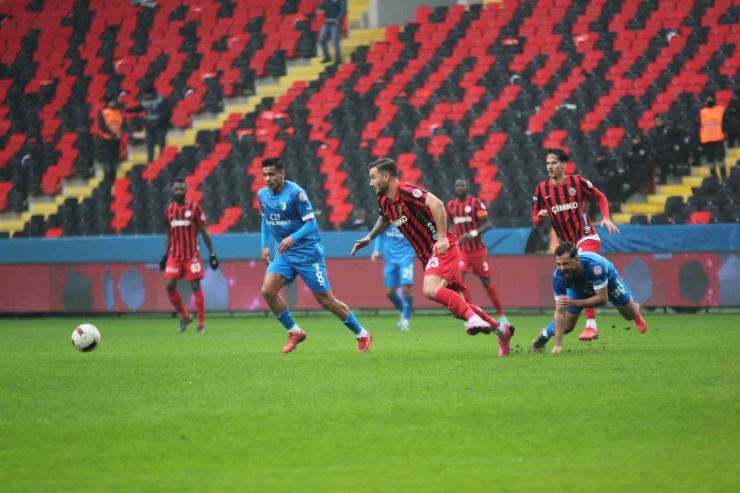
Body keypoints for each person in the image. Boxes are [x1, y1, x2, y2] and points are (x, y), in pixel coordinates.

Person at [351, 158, 515, 357]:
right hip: (427, 256)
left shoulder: (407, 191)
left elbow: (437, 204)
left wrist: (443, 237)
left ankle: (473, 319)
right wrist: (369, 237)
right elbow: (385, 217)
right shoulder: (384, 201)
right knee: (458, 309)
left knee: (430, 289)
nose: (371, 182)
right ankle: (501, 331)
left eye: (373, 177)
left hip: (443, 248)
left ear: (386, 177)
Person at [259, 158, 372, 354]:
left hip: (307, 252)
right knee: (268, 290)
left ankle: (362, 333)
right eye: (265, 175)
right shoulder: (262, 195)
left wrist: (292, 238)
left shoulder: (296, 194)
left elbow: (311, 224)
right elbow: (265, 220)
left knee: (326, 300)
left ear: (282, 174)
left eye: (271, 174)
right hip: (284, 253)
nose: (267, 178)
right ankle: (295, 332)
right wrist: (264, 245)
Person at [532, 148, 620, 342]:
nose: (550, 166)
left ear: (564, 164)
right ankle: (626, 302)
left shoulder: (577, 182)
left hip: (587, 235)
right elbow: (536, 220)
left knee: (583, 268)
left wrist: (606, 217)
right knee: (582, 281)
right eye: (547, 163)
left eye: (554, 162)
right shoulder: (542, 189)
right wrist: (540, 217)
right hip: (567, 244)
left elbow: (600, 197)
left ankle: (591, 326)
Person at [530, 242, 647, 353]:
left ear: (576, 260)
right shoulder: (559, 277)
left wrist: (574, 303)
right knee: (568, 327)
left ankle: (636, 309)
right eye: (559, 264)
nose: (562, 268)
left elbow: (602, 300)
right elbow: (560, 313)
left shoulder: (595, 267)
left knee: (630, 315)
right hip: (578, 290)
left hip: (609, 283)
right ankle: (545, 333)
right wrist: (557, 345)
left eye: (566, 263)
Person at [158, 177, 219, 333]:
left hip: (191, 255)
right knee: (169, 285)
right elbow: (168, 234)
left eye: (181, 189)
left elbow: (204, 232)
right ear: (173, 191)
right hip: (175, 256)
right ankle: (185, 317)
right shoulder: (169, 210)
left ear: (186, 191)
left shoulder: (195, 208)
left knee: (195, 286)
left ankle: (201, 323)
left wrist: (212, 254)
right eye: (176, 189)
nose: (178, 192)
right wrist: (165, 255)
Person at [446, 178, 508, 324]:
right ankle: (471, 315)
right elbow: (449, 221)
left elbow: (488, 224)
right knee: (458, 282)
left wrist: (472, 233)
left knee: (486, 282)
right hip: (462, 251)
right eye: (457, 185)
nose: (460, 188)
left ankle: (501, 314)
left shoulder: (475, 203)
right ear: (454, 188)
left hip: (478, 250)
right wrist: (454, 232)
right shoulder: (451, 206)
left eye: (463, 185)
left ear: (467, 188)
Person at [371, 225, 415, 330]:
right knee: (389, 292)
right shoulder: (387, 216)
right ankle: (404, 310)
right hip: (390, 260)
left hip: (406, 258)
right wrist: (376, 249)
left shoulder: (411, 217)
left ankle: (405, 320)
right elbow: (379, 233)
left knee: (407, 288)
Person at [126, 85, 171, 163]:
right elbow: (139, 108)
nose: (146, 96)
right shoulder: (145, 101)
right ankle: (150, 162)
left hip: (160, 126)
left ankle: (163, 161)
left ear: (152, 93)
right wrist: (127, 110)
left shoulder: (161, 100)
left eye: (147, 94)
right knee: (150, 145)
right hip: (149, 126)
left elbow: (167, 112)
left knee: (161, 143)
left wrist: (159, 120)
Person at [699, 92, 727, 180]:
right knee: (710, 160)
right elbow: (699, 125)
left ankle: (724, 177)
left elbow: (726, 122)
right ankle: (714, 179)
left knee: (720, 159)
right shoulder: (702, 112)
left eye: (710, 99)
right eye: (707, 99)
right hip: (707, 140)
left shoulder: (721, 109)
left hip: (718, 138)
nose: (709, 100)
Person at [649, 114, 683, 185]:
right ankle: (649, 181)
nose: (657, 123)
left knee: (665, 159)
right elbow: (651, 143)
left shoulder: (670, 129)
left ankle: (663, 179)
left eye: (659, 121)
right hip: (657, 151)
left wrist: (677, 144)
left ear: (663, 121)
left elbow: (680, 135)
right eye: (656, 121)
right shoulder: (652, 131)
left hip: (668, 151)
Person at [97, 97, 124, 181]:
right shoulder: (103, 112)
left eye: (113, 101)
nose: (113, 103)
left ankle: (113, 176)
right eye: (111, 102)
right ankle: (107, 176)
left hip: (116, 139)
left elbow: (122, 123)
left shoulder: (118, 112)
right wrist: (112, 133)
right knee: (107, 158)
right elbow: (102, 126)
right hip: (107, 139)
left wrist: (120, 133)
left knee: (115, 158)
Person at [318, 0, 346, 64]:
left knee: (335, 41)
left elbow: (343, 10)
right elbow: (325, 7)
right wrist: (321, 6)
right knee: (321, 40)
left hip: (335, 23)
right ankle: (327, 57)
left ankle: (338, 59)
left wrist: (339, 19)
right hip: (327, 22)